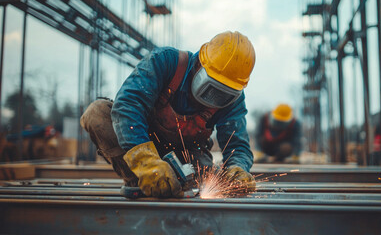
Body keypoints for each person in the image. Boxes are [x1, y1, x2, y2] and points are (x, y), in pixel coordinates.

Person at [80, 31, 256, 198]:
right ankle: (138, 180)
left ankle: (178, 184)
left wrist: (238, 168)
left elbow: (237, 145)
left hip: (188, 156)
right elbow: (128, 105)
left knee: (209, 182)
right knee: (97, 114)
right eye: (213, 88)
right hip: (142, 141)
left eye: (225, 94)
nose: (215, 99)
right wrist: (146, 162)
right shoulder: (165, 61)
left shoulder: (234, 99)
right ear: (199, 65)